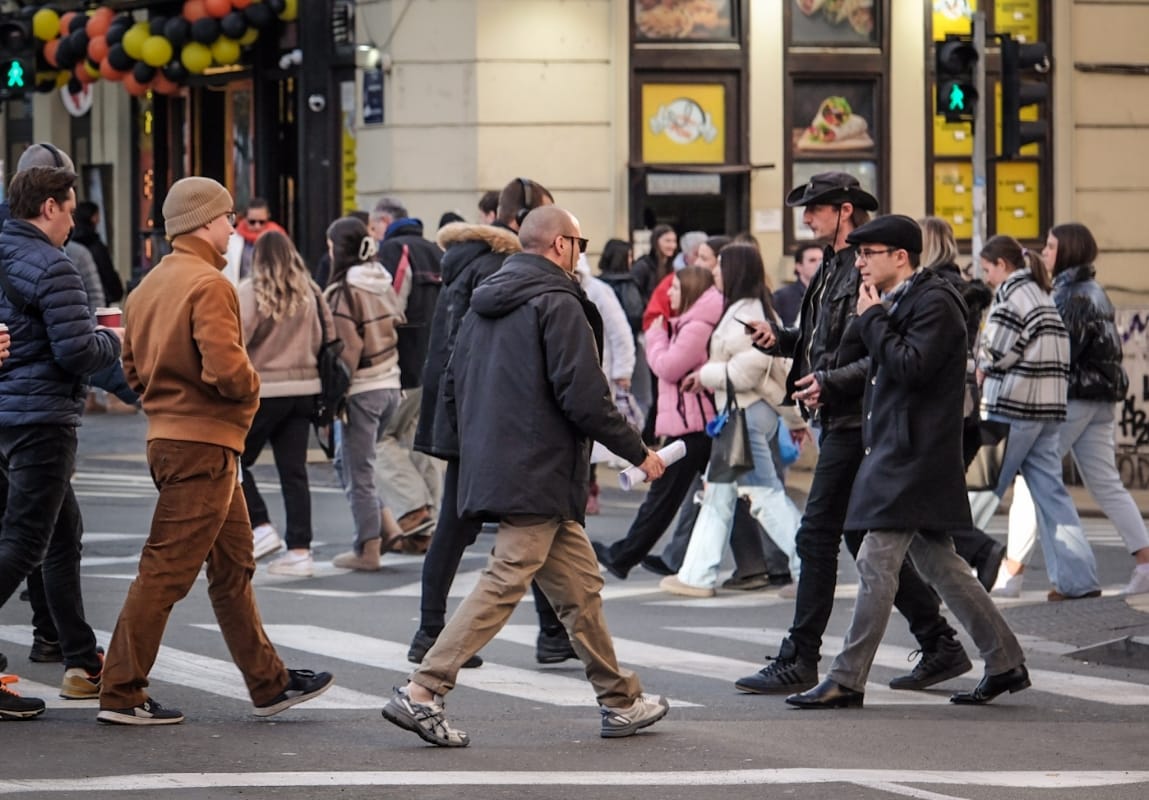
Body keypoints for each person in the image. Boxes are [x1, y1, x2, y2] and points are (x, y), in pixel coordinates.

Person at [381, 206, 669, 747]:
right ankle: (424, 689)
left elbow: (453, 380)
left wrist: (473, 450)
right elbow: (585, 396)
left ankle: (621, 700)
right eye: (579, 241)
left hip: (502, 460)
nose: (582, 251)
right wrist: (639, 452)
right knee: (506, 577)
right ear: (561, 245)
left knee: (580, 588)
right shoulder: (557, 302)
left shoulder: (485, 298)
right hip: (539, 466)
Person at [97, 177, 334, 726]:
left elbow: (129, 368)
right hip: (204, 444)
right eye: (228, 218)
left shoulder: (147, 286)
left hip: (173, 437)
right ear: (203, 222)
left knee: (233, 566)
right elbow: (227, 369)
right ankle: (122, 690)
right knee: (167, 571)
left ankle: (270, 683)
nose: (234, 228)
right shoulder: (210, 284)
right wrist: (250, 388)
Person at [734, 172, 970, 695]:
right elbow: (828, 341)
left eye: (815, 208)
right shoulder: (832, 268)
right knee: (861, 535)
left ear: (844, 210)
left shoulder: (863, 272)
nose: (807, 218)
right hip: (840, 415)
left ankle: (801, 657)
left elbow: (876, 350)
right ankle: (940, 642)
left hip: (855, 418)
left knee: (816, 535)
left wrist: (830, 383)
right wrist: (781, 340)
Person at [785, 215, 1030, 710]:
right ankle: (1005, 662)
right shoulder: (897, 301)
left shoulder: (934, 302)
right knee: (944, 567)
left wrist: (871, 319)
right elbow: (879, 369)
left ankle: (847, 678)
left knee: (876, 561)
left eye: (868, 253)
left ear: (901, 257)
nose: (860, 263)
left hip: (915, 456)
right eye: (857, 255)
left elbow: (910, 367)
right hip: (898, 450)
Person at [408, 177, 576, 668]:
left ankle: (434, 628)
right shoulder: (503, 267)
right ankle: (437, 631)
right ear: (524, 220)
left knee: (474, 523)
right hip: (489, 413)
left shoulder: (465, 261)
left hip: (463, 409)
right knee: (531, 515)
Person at [0, 165, 121, 720]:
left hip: (7, 417)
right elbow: (76, 353)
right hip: (41, 420)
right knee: (26, 542)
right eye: (70, 208)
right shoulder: (55, 267)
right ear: (48, 207)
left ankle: (79, 656)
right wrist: (113, 341)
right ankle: (78, 657)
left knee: (60, 531)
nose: (74, 219)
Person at [1004, 223, 1149, 596]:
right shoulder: (1093, 291)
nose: (1045, 252)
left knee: (1031, 479)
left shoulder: (1070, 296)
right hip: (1099, 400)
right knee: (1105, 484)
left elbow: (1058, 353)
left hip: (1073, 399)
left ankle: (1012, 573)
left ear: (1066, 251)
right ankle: (1146, 563)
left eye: (1051, 246)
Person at [658, 243, 803, 598]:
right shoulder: (744, 309)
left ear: (736, 270)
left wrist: (705, 373)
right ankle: (696, 574)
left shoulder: (747, 314)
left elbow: (746, 371)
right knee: (717, 498)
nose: (715, 272)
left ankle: (812, 567)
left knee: (764, 495)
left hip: (745, 415)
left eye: (721, 266)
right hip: (742, 414)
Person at [971, 235, 1105, 600]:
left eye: (987, 269)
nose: (986, 277)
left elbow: (995, 350)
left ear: (1002, 265)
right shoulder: (1043, 294)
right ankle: (1079, 580)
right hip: (1048, 409)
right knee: (1052, 495)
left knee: (981, 486)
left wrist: (979, 364)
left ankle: (946, 568)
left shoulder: (1011, 296)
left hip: (1014, 407)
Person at [593, 265, 722, 577]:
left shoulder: (694, 325)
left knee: (665, 497)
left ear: (690, 291)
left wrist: (655, 334)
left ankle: (624, 557)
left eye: (676, 288)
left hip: (693, 425)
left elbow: (667, 367)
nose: (670, 294)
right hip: (691, 423)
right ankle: (757, 563)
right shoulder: (688, 322)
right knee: (721, 495)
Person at [239, 230, 335, 576]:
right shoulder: (311, 291)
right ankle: (300, 551)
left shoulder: (250, 292)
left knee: (233, 462)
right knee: (294, 473)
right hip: (305, 390)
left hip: (264, 391)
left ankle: (260, 526)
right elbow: (329, 336)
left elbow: (236, 339)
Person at [919, 216, 1003, 589]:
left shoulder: (935, 291)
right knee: (935, 493)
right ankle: (957, 567)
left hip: (945, 405)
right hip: (966, 402)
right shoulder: (962, 289)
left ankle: (979, 549)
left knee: (925, 495)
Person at [323, 216, 406, 571]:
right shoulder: (380, 281)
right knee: (353, 463)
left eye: (329, 246)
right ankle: (388, 529)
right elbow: (400, 321)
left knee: (358, 470)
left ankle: (367, 549)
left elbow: (348, 349)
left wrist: (331, 398)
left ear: (338, 250)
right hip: (390, 384)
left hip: (363, 389)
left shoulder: (344, 292)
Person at [370, 197, 445, 543]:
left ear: (385, 221)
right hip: (440, 359)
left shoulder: (395, 250)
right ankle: (431, 527)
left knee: (379, 437)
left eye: (373, 228)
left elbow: (390, 308)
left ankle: (415, 508)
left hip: (406, 363)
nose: (372, 236)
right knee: (422, 441)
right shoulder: (436, 250)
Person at [578, 252, 636, 514]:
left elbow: (619, 331)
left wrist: (623, 369)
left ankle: (589, 488)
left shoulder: (599, 292)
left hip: (598, 372)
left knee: (591, 434)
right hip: (572, 374)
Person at [72, 201, 124, 303]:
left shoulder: (69, 247)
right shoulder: (96, 247)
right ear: (93, 217)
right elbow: (107, 274)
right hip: (98, 302)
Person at [225, 197, 286, 283]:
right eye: (252, 222)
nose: (257, 226)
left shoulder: (278, 237)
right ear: (245, 218)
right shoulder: (232, 239)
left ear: (268, 218)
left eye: (262, 222)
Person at [772, 242, 823, 327]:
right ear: (799, 266)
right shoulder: (782, 297)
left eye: (822, 260)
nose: (819, 264)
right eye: (812, 260)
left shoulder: (830, 292)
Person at [632, 224, 677, 303]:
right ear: (656, 242)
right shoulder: (643, 266)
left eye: (674, 241)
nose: (672, 246)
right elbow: (634, 294)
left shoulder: (671, 266)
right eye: (667, 241)